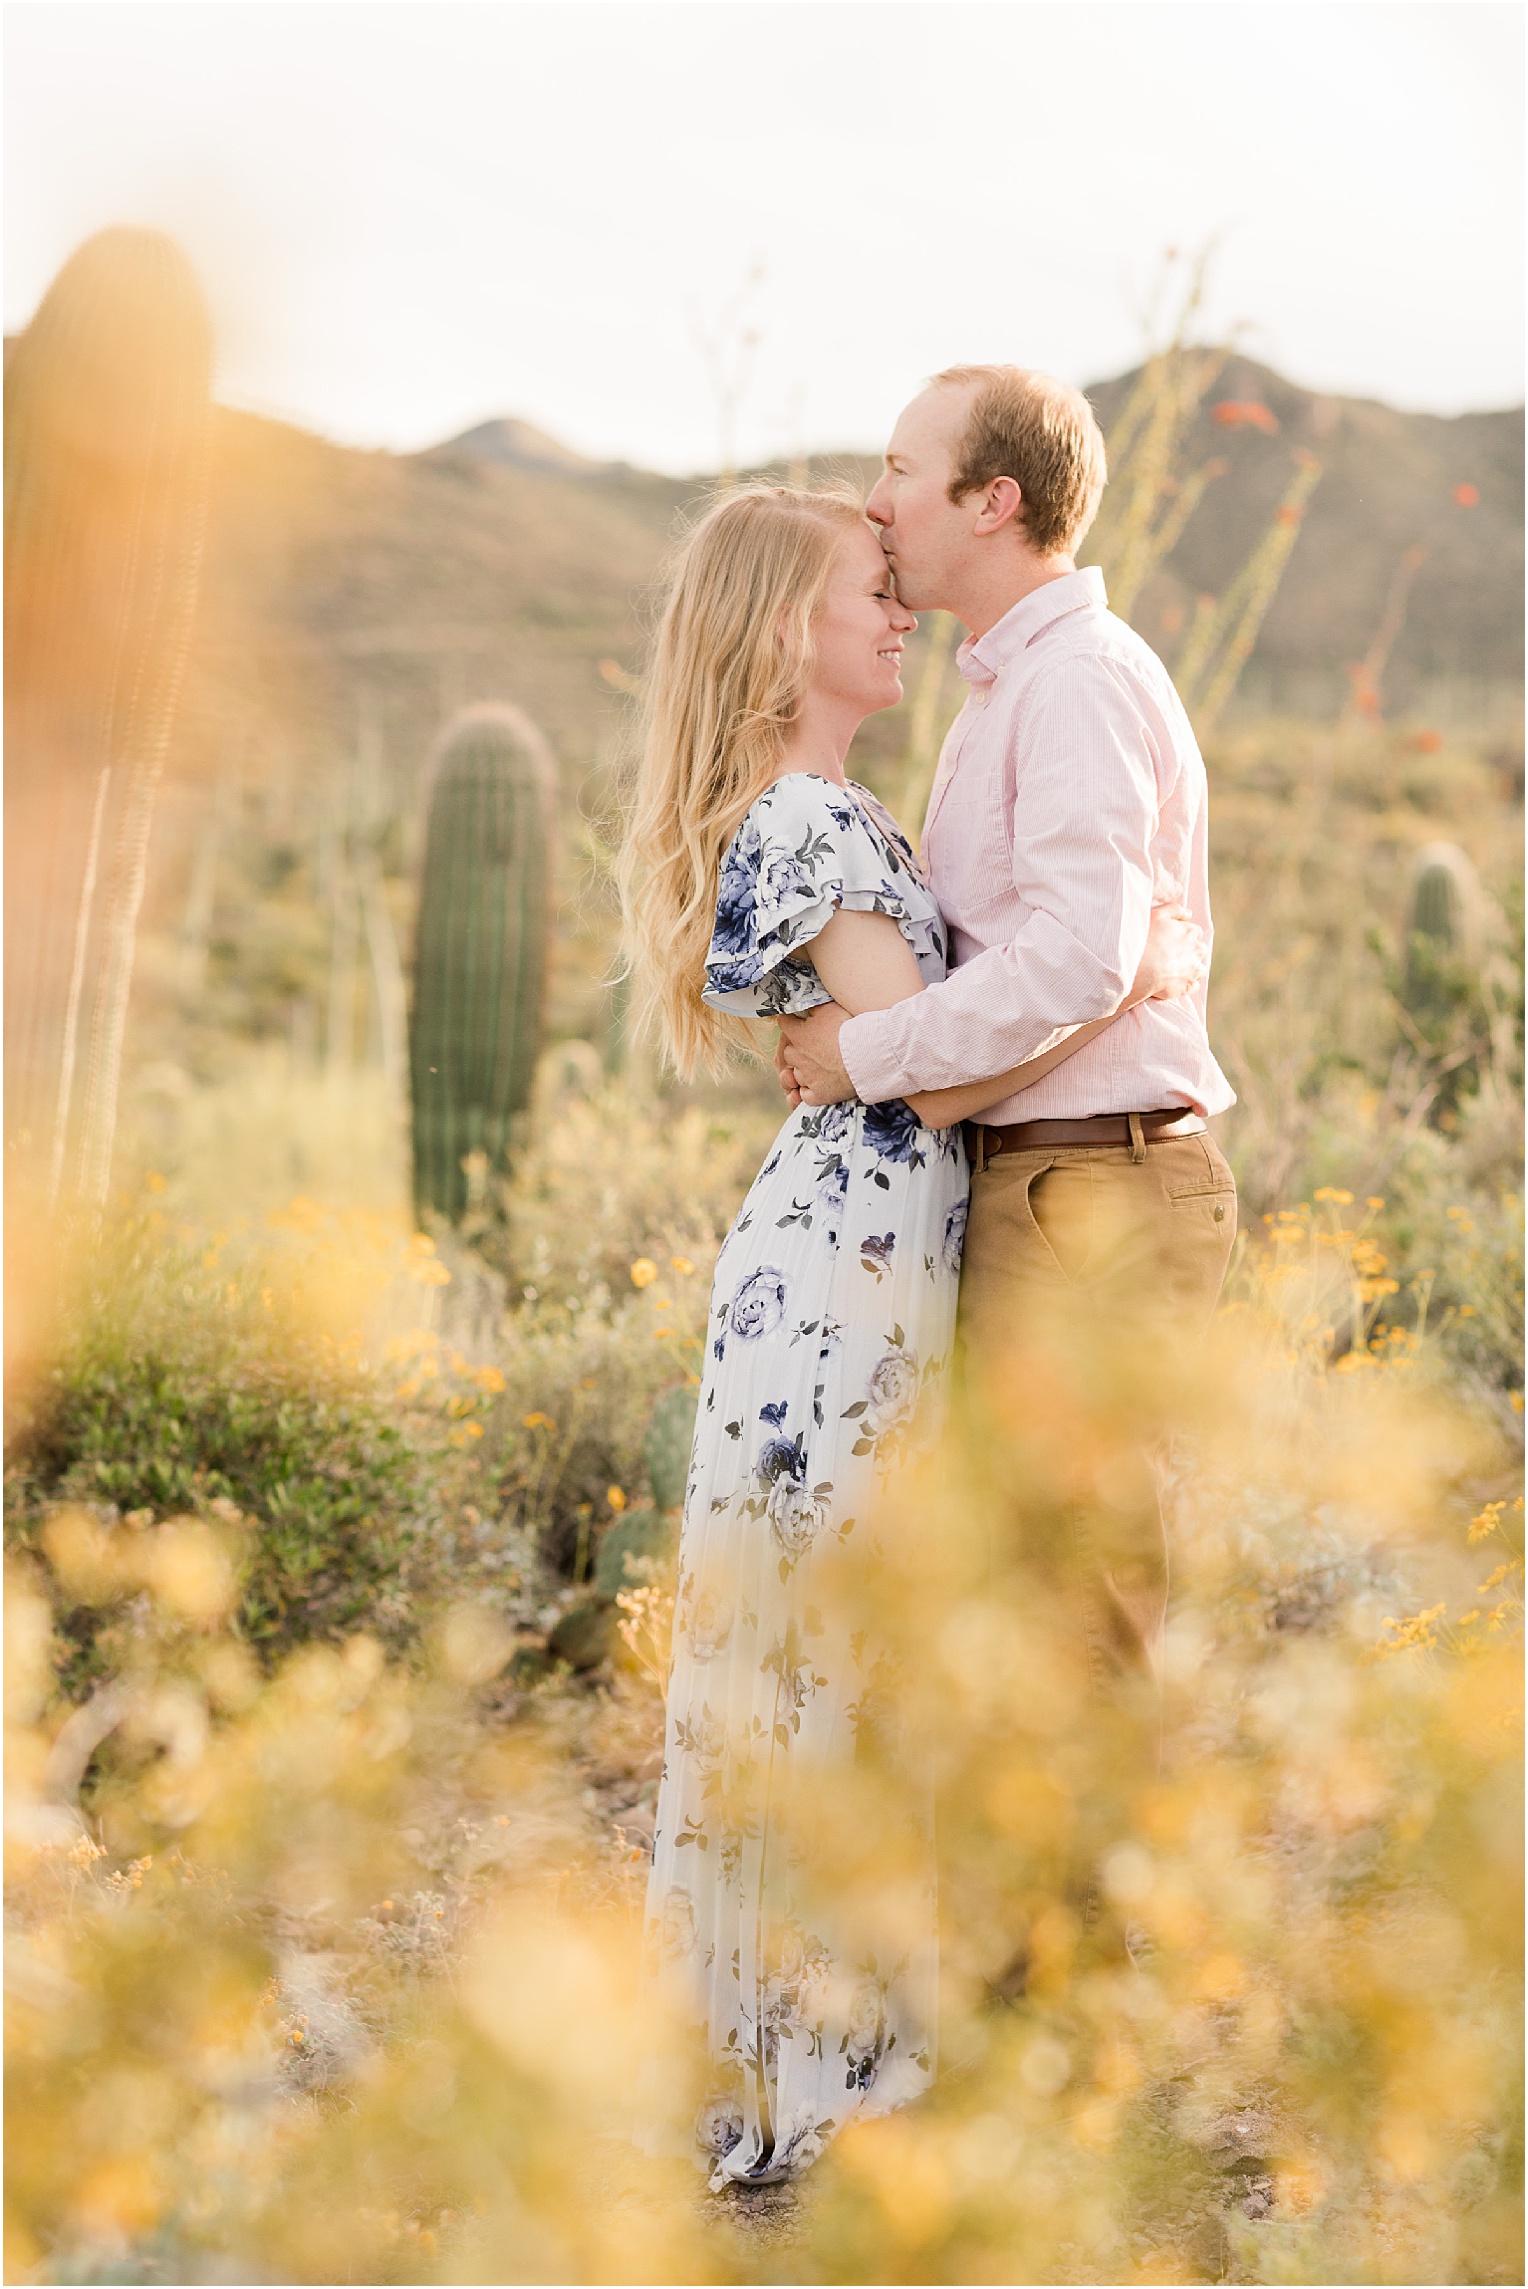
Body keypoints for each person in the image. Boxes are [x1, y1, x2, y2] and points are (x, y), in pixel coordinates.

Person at [619, 481, 1203, 2188]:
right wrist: (1142, 966)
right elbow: (938, 1067)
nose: (897, 611)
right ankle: (822, 2061)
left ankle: (826, 2029)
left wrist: (1121, 959)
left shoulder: (842, 804)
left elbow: (928, 1036)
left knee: (833, 1644)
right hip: (841, 1271)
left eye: (895, 582)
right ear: (776, 629)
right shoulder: (802, 819)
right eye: (865, 590)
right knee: (830, 1649)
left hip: (869, 1252)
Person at [777, 367, 1239, 1693]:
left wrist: (865, 1060)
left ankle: (1073, 1906)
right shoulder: (1007, 690)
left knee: (1072, 1589)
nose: (879, 503)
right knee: (1026, 1578)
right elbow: (1089, 952)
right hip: (1048, 1171)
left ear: (995, 501)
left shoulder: (1076, 683)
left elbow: (1080, 958)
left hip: (1093, 1179)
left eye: (903, 472)